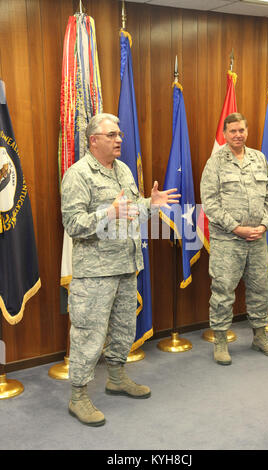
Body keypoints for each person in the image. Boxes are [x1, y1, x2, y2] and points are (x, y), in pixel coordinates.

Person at [61, 113, 180, 426]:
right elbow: (73, 225)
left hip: (127, 265)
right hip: (95, 273)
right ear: (94, 140)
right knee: (88, 334)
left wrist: (149, 205)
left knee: (124, 327)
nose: (119, 140)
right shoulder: (78, 175)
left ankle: (116, 377)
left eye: (120, 135)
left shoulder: (123, 170)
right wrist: (108, 213)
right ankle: (78, 396)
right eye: (112, 135)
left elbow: (131, 211)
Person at [200, 112, 268, 366]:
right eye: (233, 131)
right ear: (225, 134)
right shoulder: (215, 163)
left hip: (257, 238)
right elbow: (210, 203)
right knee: (223, 290)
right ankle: (221, 341)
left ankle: (260, 336)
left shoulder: (259, 158)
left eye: (241, 130)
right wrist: (236, 228)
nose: (238, 135)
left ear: (247, 132)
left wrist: (264, 224)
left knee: (260, 288)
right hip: (227, 240)